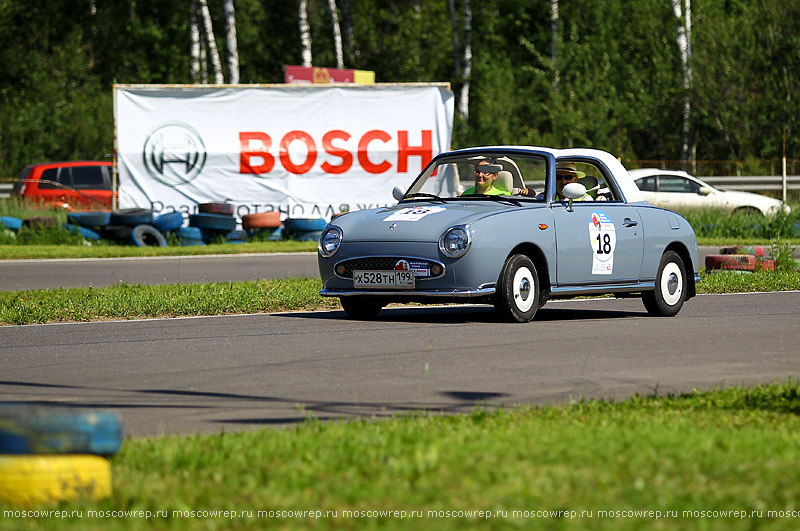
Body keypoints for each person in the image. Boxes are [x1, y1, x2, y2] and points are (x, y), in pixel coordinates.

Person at [520, 161, 590, 201]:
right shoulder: (548, 195)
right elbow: (538, 201)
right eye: (558, 177)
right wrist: (530, 195)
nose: (563, 181)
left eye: (568, 177)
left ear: (575, 180)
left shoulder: (585, 200)